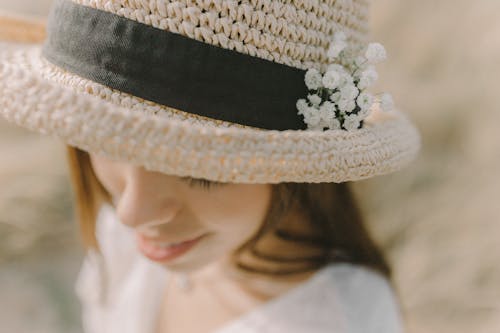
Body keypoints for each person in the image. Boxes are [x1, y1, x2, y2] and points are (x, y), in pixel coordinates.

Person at [0, 0, 421, 332]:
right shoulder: (142, 230)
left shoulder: (337, 322)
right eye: (107, 142)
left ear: (301, 164)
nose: (131, 212)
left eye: (198, 171)